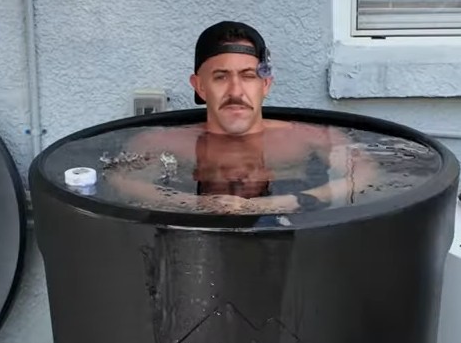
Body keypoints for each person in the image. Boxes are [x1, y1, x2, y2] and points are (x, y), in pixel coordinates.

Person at [105, 21, 378, 216]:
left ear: (266, 85)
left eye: (248, 76)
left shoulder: (307, 138)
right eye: (221, 77)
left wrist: (289, 202)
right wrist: (193, 204)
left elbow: (368, 175)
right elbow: (120, 183)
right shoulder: (163, 142)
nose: (236, 91)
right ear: (199, 86)